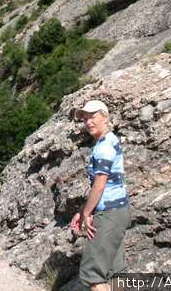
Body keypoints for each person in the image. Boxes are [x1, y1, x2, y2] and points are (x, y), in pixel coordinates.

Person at [70, 100, 131, 291]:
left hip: (109, 214)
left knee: (91, 273)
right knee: (116, 269)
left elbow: (99, 185)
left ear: (105, 118)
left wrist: (87, 213)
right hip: (120, 209)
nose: (88, 122)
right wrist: (84, 209)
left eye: (93, 117)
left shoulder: (104, 146)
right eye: (85, 119)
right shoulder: (110, 140)